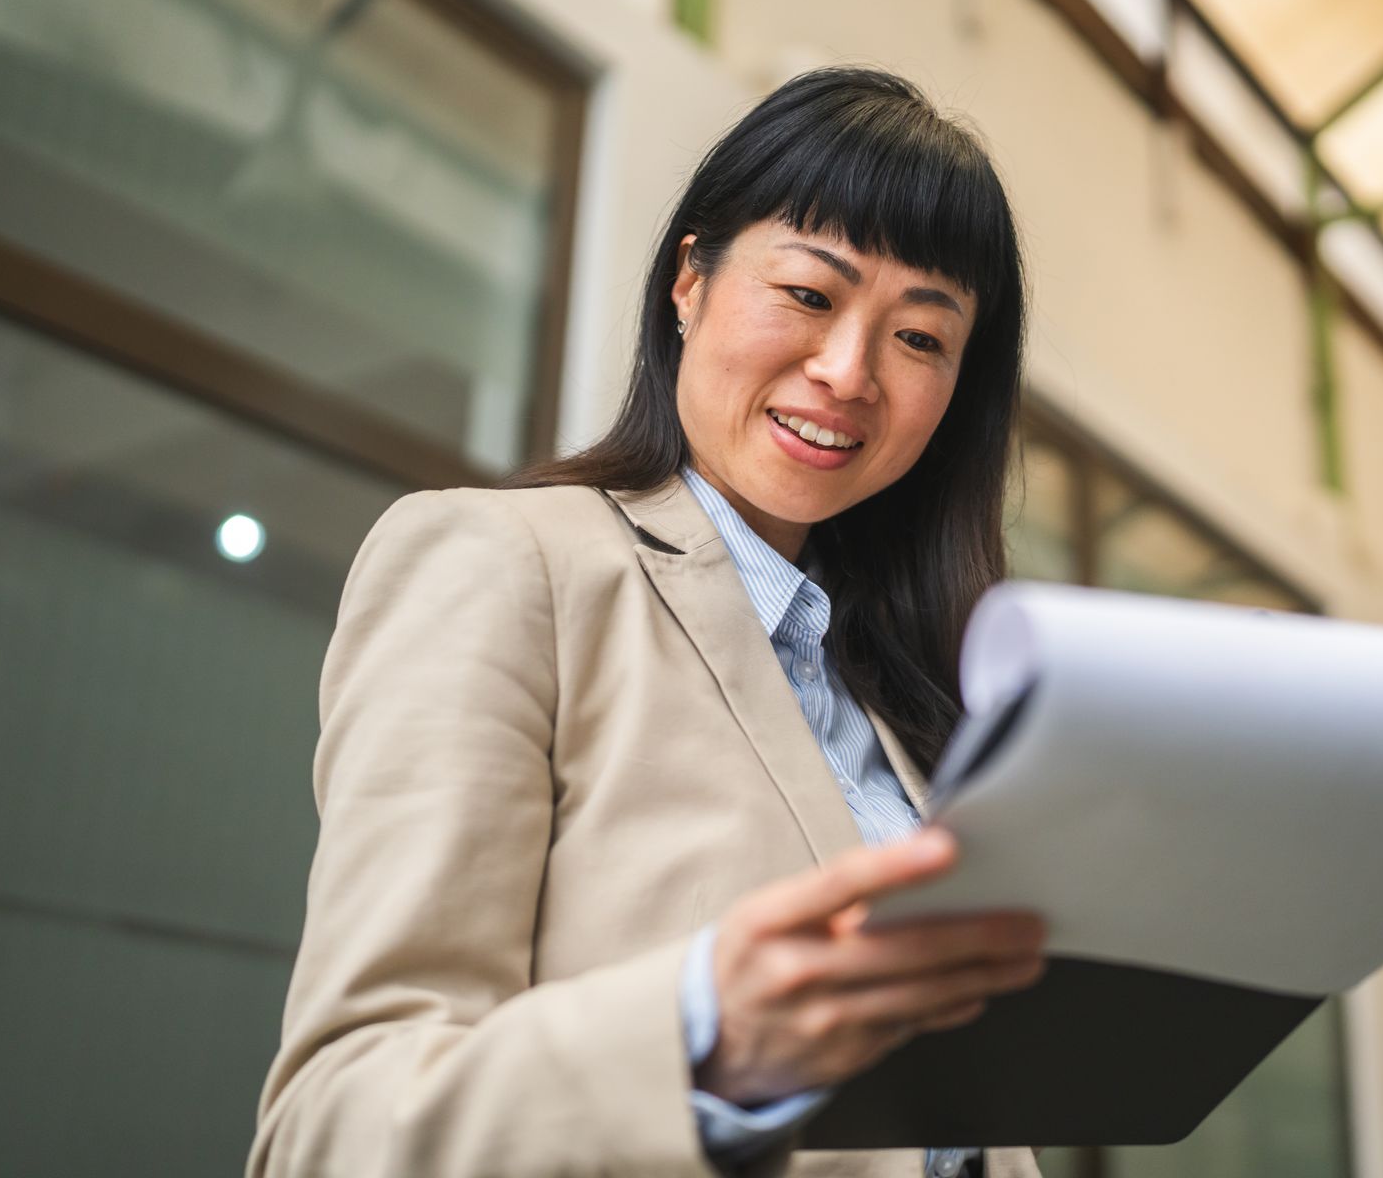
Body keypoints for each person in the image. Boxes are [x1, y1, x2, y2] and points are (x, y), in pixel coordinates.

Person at [247, 65, 1048, 1178]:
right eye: (811, 295)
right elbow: (330, 1131)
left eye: (920, 338)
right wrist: (696, 1039)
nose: (847, 371)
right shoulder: (505, 564)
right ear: (690, 281)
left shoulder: (904, 698)